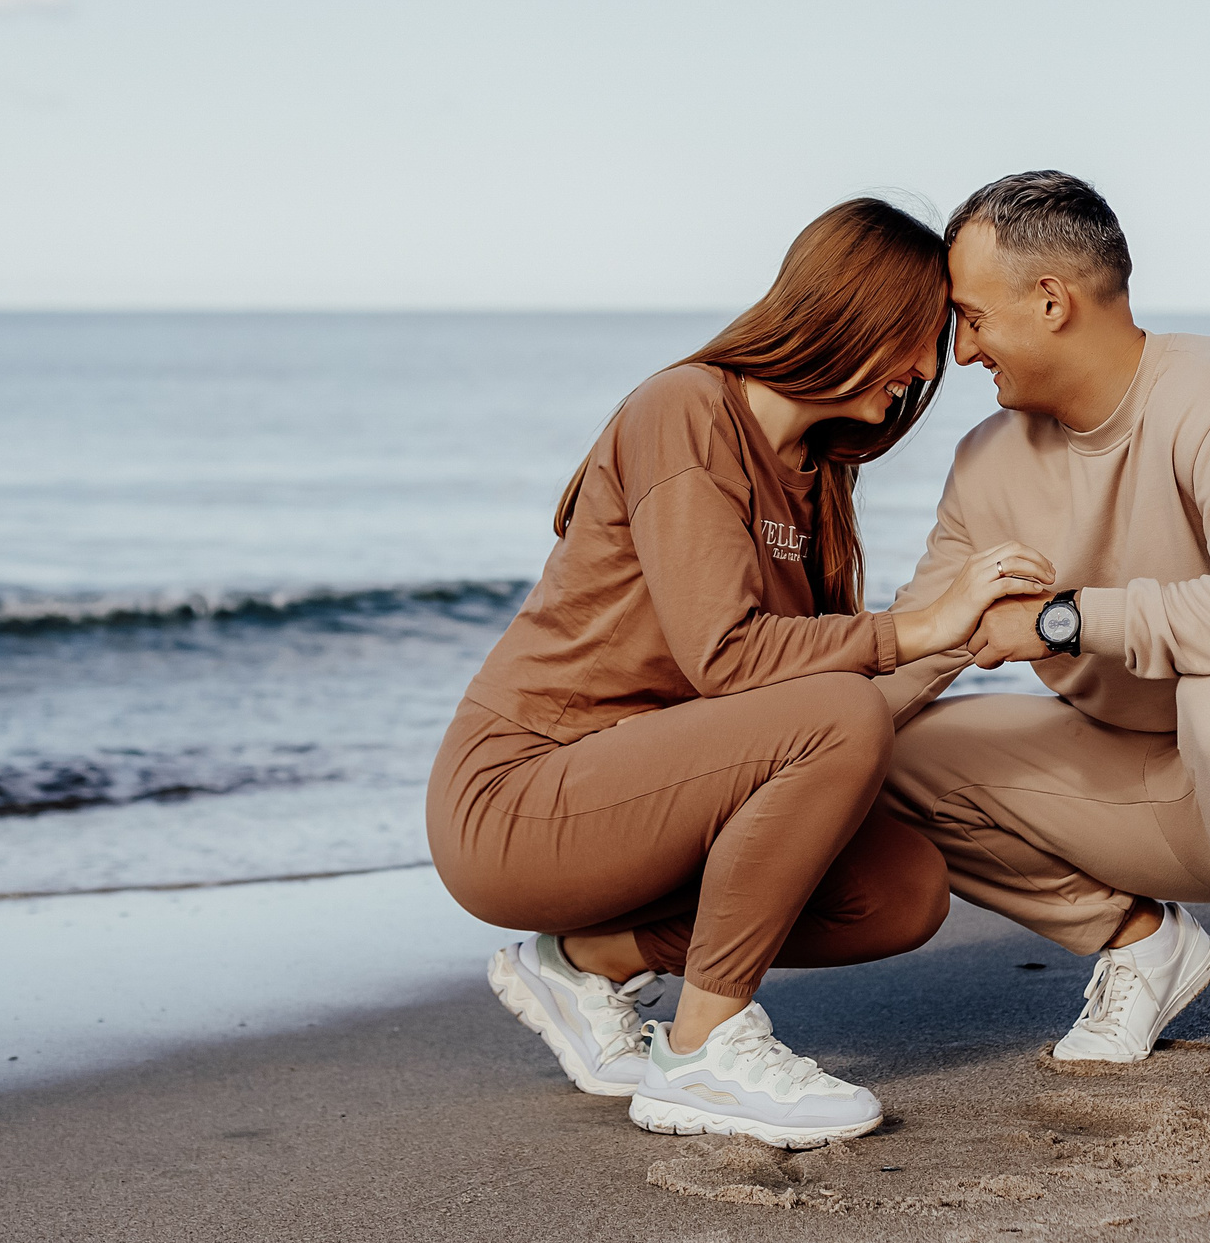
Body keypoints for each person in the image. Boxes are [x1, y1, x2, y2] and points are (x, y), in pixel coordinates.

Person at [428, 197, 1058, 1149]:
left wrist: (973, 634)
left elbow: (832, 690)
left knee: (900, 889)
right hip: (519, 799)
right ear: (850, 310)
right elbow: (727, 657)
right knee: (840, 716)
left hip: (651, 797)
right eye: (921, 336)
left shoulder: (817, 476)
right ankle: (705, 1052)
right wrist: (918, 621)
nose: (931, 370)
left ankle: (586, 963)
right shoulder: (683, 409)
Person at [877, 171, 1210, 1143]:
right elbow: (919, 642)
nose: (960, 350)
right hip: (1143, 775)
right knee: (889, 745)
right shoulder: (987, 460)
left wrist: (1062, 620)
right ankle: (1139, 945)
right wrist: (745, 740)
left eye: (970, 316)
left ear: (1051, 302)